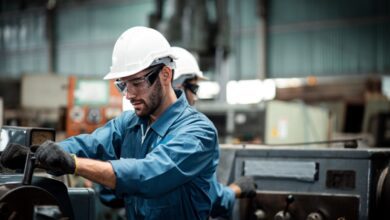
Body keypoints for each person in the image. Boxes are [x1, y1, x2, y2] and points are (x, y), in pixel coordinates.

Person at [1, 26, 220, 219]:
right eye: (123, 85)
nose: (129, 94)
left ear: (165, 75)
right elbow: (90, 145)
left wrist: (74, 164)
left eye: (136, 82)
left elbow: (148, 174)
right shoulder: (131, 123)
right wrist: (35, 155)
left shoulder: (198, 133)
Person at [170, 46, 257, 219]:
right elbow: (210, 199)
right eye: (194, 88)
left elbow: (110, 194)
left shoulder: (137, 131)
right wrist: (235, 190)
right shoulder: (196, 136)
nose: (195, 98)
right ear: (176, 86)